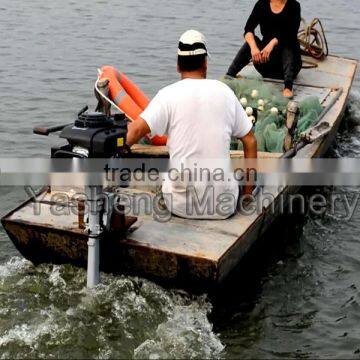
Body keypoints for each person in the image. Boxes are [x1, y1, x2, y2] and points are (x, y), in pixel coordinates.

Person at [126, 30, 257, 220]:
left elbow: (136, 130)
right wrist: (247, 193)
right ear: (205, 64)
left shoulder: (167, 95)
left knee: (166, 176)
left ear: (178, 66)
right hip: (223, 206)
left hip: (179, 206)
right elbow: (250, 141)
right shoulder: (224, 92)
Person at [226, 0, 302, 98]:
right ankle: (229, 76)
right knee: (251, 42)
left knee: (288, 45)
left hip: (288, 68)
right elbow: (248, 29)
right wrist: (254, 48)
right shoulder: (261, 4)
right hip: (266, 63)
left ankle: (288, 87)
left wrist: (272, 43)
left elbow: (291, 33)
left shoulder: (294, 6)